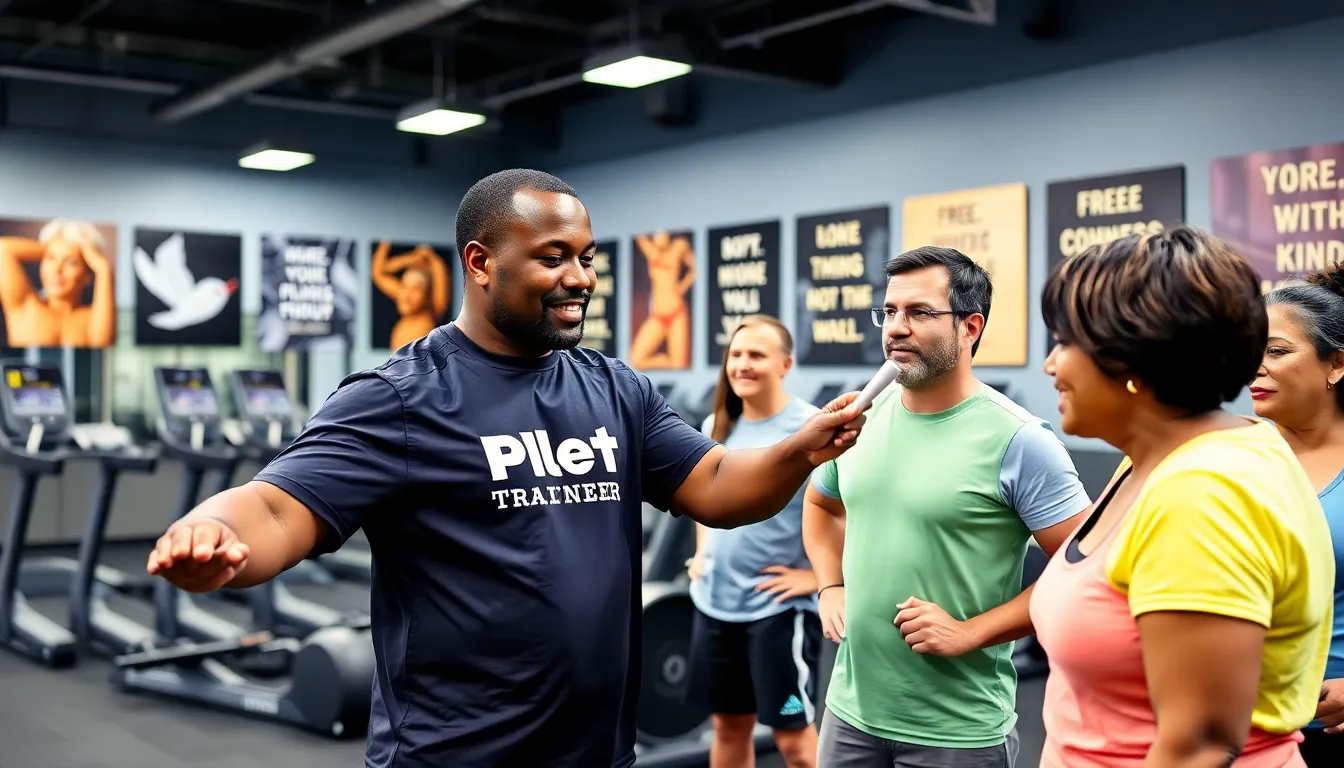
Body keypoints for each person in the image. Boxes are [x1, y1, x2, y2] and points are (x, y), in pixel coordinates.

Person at [142, 168, 870, 768]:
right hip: (453, 756)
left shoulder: (615, 388)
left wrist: (796, 451)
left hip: (595, 754)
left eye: (586, 257)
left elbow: (714, 485)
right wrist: (210, 532)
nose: (580, 277)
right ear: (481, 263)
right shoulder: (401, 397)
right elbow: (274, 508)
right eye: (554, 257)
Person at [1028, 226, 1336, 767]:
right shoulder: (1162, 459)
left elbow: (1198, 746)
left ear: (1132, 356)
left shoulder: (1203, 492)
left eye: (1064, 342)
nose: (1051, 366)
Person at [802, 245, 1092, 766]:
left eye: (919, 312)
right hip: (848, 713)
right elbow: (821, 505)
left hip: (957, 731)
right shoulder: (862, 415)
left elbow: (1088, 574)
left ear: (970, 327)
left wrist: (970, 632)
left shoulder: (1021, 440)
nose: (895, 327)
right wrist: (829, 585)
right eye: (889, 312)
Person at [685, 314, 823, 768]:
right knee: (727, 729)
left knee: (794, 744)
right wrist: (703, 552)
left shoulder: (812, 428)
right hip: (714, 604)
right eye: (736, 354)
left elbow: (850, 511)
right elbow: (706, 498)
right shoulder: (716, 425)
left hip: (776, 612)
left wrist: (818, 577)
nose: (742, 364)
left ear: (786, 364)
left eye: (757, 355)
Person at [1253, 265, 1344, 765]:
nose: (1256, 367)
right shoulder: (1232, 454)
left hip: (1327, 728)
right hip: (1240, 726)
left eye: (1277, 351)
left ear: (1336, 364)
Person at [0, 218, 115, 347]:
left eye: (71, 262)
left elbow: (102, 345)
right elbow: (2, 249)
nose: (57, 270)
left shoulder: (91, 319)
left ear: (87, 276)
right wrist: (55, 245)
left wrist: (103, 269)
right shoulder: (26, 307)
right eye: (50, 258)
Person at [629, 231, 694, 370]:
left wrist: (683, 285)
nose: (660, 235)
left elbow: (696, 267)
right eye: (656, 232)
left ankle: (672, 362)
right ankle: (666, 361)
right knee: (635, 360)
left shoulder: (679, 246)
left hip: (677, 313)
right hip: (658, 316)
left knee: (680, 366)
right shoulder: (651, 250)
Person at [371, 240, 451, 350]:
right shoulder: (404, 295)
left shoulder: (433, 309)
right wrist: (408, 259)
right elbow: (379, 273)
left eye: (416, 288)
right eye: (404, 286)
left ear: (427, 296)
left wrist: (431, 257)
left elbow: (440, 271)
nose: (407, 295)